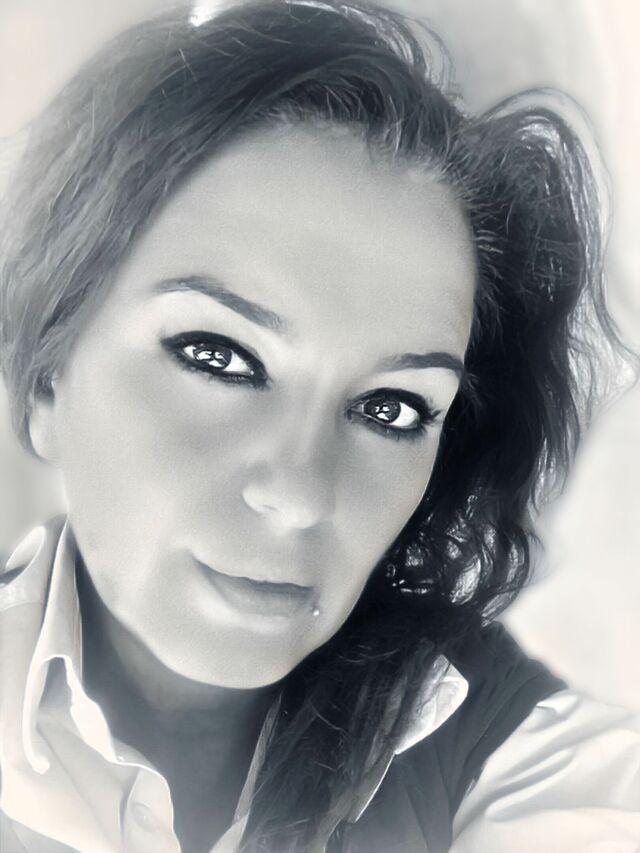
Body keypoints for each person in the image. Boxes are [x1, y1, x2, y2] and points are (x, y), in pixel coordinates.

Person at [0, 1, 638, 850]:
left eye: (390, 408)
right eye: (219, 356)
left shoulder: (532, 747)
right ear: (47, 380)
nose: (301, 493)